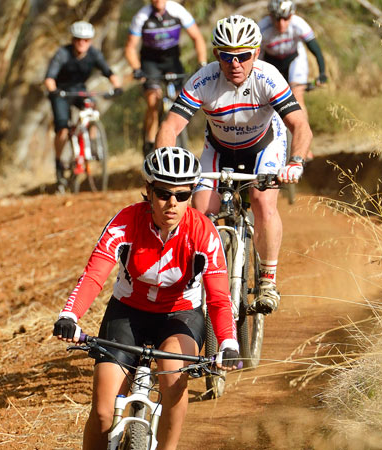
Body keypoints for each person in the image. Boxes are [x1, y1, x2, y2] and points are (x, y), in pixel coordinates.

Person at [53, 147, 239, 450]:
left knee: (172, 377)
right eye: (164, 194)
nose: (172, 203)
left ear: (192, 195)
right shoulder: (126, 222)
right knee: (102, 412)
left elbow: (219, 298)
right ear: (149, 192)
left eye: (182, 195)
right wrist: (69, 316)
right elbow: (93, 276)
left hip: (180, 316)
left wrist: (229, 343)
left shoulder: (204, 232)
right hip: (128, 313)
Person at [156, 15, 314, 313]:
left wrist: (295, 162)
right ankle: (200, 281)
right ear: (217, 55)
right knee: (200, 211)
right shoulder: (204, 79)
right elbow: (169, 127)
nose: (235, 63)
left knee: (262, 201)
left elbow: (300, 126)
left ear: (256, 52)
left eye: (243, 55)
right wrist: (165, 170)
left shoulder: (268, 77)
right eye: (227, 56)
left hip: (263, 146)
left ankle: (267, 280)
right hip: (218, 150)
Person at [45, 21, 122, 192]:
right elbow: (49, 78)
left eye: (86, 40)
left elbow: (109, 72)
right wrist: (54, 91)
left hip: (79, 90)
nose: (82, 43)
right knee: (62, 129)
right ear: (73, 40)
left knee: (92, 111)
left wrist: (117, 86)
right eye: (79, 39)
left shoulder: (94, 54)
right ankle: (59, 165)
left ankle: (92, 142)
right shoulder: (62, 54)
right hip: (61, 93)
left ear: (91, 41)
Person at [125, 0, 207, 156]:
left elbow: (197, 37)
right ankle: (149, 143)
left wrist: (202, 62)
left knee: (180, 100)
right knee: (153, 101)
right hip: (150, 62)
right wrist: (136, 69)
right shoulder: (142, 16)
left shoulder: (177, 11)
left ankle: (179, 139)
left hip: (172, 60)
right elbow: (130, 47)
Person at [259, 0, 327, 160]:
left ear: (292, 15)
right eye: (277, 19)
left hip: (294, 60)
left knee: (297, 98)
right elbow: (254, 60)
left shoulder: (299, 24)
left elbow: (315, 50)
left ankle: (304, 147)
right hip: (270, 62)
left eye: (286, 18)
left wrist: (322, 73)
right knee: (267, 101)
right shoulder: (261, 28)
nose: (281, 23)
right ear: (270, 17)